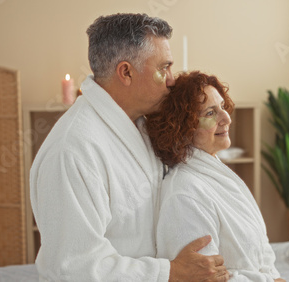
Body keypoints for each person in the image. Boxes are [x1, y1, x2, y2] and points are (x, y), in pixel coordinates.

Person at [29, 14, 228, 281]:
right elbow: (73, 266)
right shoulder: (73, 150)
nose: (171, 79)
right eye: (164, 67)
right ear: (126, 72)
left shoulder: (141, 124)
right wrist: (170, 272)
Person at [146, 71, 285, 281]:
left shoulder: (217, 175)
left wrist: (274, 277)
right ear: (183, 128)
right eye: (210, 113)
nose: (227, 118)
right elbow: (208, 278)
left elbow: (260, 246)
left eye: (222, 107)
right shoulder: (185, 195)